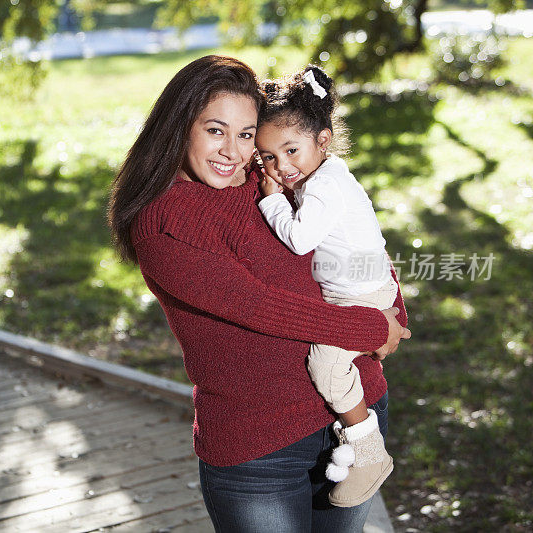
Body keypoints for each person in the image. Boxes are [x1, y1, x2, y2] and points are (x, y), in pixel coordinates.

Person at [108, 55, 410, 532]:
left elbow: (351, 233)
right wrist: (370, 326)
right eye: (215, 130)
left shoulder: (265, 176)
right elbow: (254, 305)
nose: (232, 150)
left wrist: (392, 300)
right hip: (260, 451)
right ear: (181, 126)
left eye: (246, 134)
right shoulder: (161, 223)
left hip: (355, 417)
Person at [255, 65, 401, 508]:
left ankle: (369, 452)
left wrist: (270, 200)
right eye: (268, 158)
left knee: (327, 367)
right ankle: (350, 446)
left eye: (291, 150)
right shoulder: (326, 175)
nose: (282, 167)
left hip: (361, 296)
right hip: (360, 289)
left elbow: (299, 239)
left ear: (324, 139)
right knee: (332, 364)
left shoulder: (325, 188)